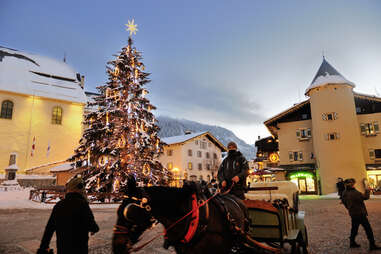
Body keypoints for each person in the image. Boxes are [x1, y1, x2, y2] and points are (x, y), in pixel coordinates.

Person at [37, 176, 99, 254]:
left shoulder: (59, 205)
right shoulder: (83, 205)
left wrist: (44, 246)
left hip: (63, 249)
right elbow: (93, 226)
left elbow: (49, 229)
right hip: (80, 250)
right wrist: (93, 229)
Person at [342, 178, 380, 251]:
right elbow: (366, 197)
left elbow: (344, 203)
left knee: (354, 228)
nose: (354, 184)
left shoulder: (344, 193)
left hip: (353, 213)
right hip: (360, 213)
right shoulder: (354, 193)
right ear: (352, 184)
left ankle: (352, 242)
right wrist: (367, 189)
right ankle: (372, 245)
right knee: (368, 229)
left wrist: (350, 209)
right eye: (353, 183)